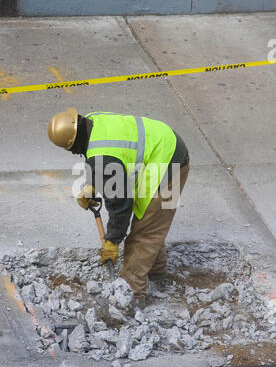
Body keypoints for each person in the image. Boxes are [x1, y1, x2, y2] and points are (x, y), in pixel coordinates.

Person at [48, 108, 190, 308]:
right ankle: (157, 272)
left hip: (169, 162)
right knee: (152, 222)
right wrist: (93, 184)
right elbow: (105, 156)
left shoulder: (101, 157)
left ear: (73, 143)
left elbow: (121, 206)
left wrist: (112, 241)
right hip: (163, 144)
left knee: (145, 232)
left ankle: (132, 294)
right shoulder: (90, 121)